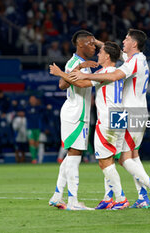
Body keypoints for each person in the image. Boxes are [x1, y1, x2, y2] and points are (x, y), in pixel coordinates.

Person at [68, 29, 150, 209]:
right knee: (127, 156)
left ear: (134, 44)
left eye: (126, 39)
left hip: (129, 112)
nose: (123, 41)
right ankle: (130, 196)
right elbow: (114, 54)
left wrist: (84, 74)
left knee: (123, 158)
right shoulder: (134, 60)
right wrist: (98, 43)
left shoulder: (132, 62)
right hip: (129, 112)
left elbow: (112, 74)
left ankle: (149, 188)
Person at [50, 41, 129, 210]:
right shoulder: (122, 70)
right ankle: (108, 198)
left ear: (107, 56)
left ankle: (121, 197)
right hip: (120, 116)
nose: (97, 53)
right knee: (112, 159)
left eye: (100, 51)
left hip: (107, 118)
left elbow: (80, 83)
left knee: (103, 161)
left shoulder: (102, 73)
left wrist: (60, 73)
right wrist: (79, 67)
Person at [48, 30, 98, 211]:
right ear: (81, 44)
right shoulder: (74, 62)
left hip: (79, 114)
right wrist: (66, 72)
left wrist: (77, 69)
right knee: (75, 157)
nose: (94, 47)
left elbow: (66, 81)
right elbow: (63, 84)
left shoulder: (83, 64)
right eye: (91, 43)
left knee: (71, 157)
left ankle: (56, 196)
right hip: (75, 114)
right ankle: (73, 201)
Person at [25, 95, 42, 164]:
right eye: (31, 99)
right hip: (30, 128)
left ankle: (36, 157)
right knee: (31, 142)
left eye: (34, 99)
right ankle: (33, 159)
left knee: (36, 143)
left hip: (37, 128)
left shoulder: (39, 108)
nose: (33, 100)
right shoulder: (27, 108)